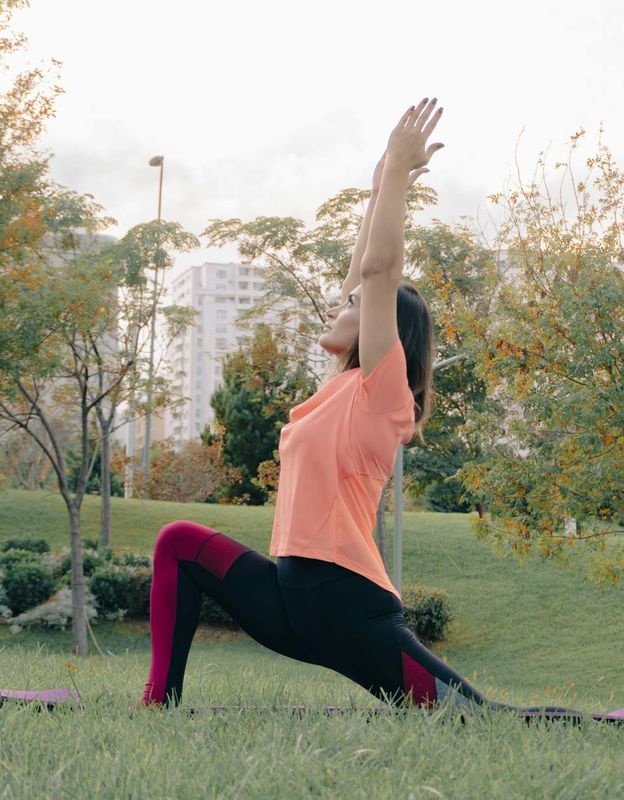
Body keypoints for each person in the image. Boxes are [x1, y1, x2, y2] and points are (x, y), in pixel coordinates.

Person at [139, 98, 556, 715]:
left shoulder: (383, 394)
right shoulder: (339, 388)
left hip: (346, 608)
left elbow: (382, 269)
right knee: (179, 541)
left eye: (354, 305)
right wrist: (378, 182)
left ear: (383, 330)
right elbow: (367, 270)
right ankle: (157, 704)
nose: (342, 303)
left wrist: (394, 179)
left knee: (482, 719)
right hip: (291, 597)